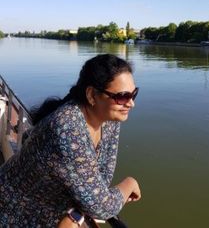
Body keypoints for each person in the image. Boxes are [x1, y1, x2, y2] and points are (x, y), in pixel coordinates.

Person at [0, 54, 141, 227]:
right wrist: (129, 183)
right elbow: (102, 206)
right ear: (91, 95)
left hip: (51, 210)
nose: (131, 103)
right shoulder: (67, 128)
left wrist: (76, 213)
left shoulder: (109, 119)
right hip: (15, 212)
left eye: (134, 94)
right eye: (122, 97)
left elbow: (102, 179)